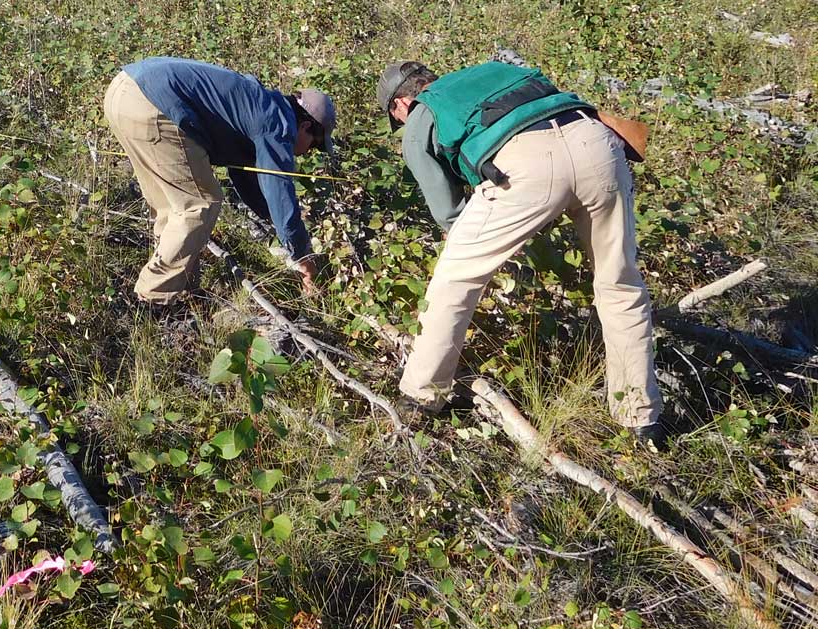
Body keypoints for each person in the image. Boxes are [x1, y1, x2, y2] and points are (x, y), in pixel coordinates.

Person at [376, 59, 663, 444]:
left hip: (526, 163)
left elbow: (449, 214)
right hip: (598, 143)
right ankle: (640, 419)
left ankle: (420, 398)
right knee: (620, 284)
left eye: (396, 118)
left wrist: (493, 240)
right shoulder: (488, 72)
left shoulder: (420, 114)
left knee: (455, 279)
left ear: (400, 104)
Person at [104, 57, 336, 307]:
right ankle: (152, 301)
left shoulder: (259, 105)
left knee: (172, 207)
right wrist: (303, 257)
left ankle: (183, 291)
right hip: (156, 103)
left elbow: (249, 182)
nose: (307, 153)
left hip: (125, 90)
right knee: (200, 205)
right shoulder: (278, 124)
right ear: (305, 126)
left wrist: (277, 224)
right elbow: (278, 190)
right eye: (313, 145)